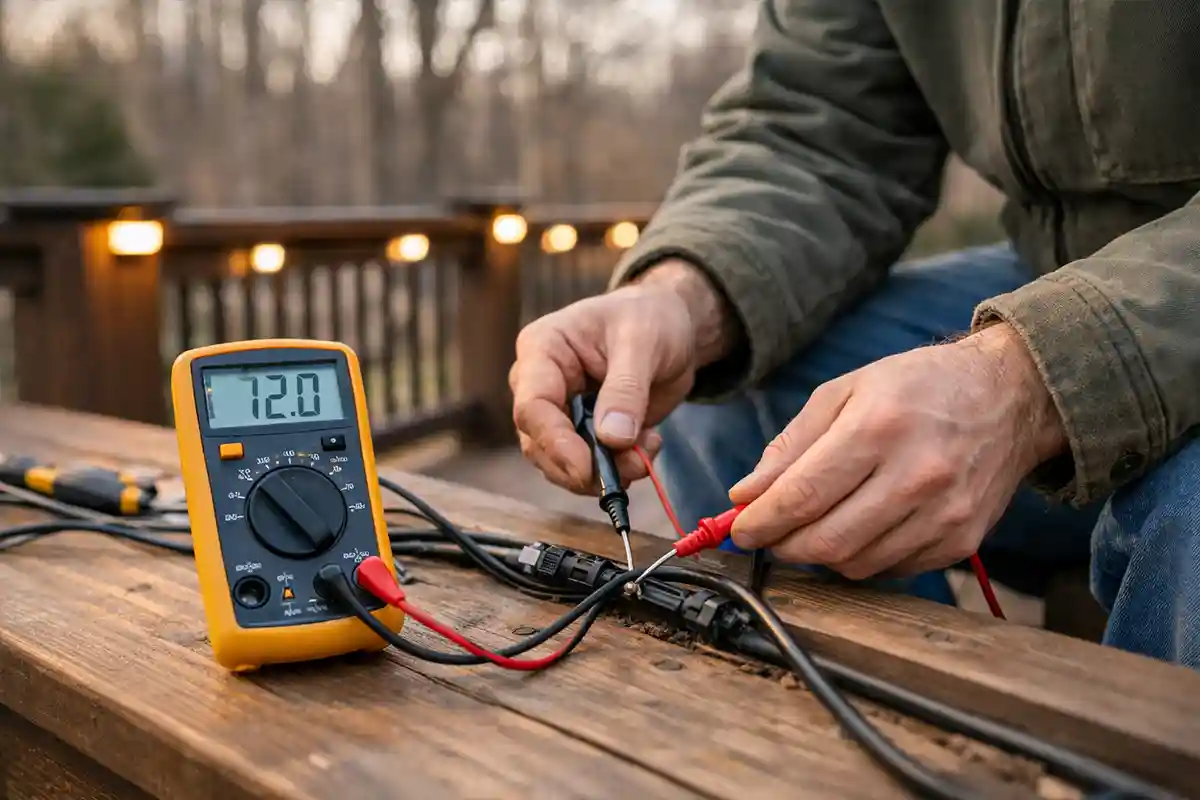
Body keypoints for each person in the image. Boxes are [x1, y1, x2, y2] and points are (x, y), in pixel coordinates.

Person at [507, 0, 1200, 669]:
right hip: (1054, 268)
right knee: (730, 394)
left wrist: (1036, 378)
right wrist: (683, 295)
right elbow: (818, 127)